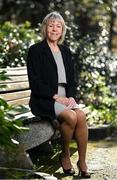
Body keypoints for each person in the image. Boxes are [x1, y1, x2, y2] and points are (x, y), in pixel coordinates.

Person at [27, 11, 90, 178]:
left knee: (81, 115)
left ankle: (82, 161)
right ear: (45, 28)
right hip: (44, 99)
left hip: (64, 97)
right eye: (51, 25)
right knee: (71, 117)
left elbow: (71, 79)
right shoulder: (35, 50)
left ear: (62, 30)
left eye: (58, 26)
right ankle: (65, 155)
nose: (54, 29)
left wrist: (71, 97)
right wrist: (56, 97)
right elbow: (35, 83)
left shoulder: (65, 51)